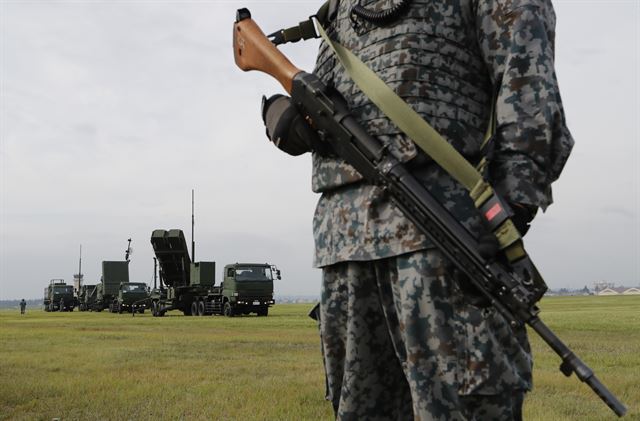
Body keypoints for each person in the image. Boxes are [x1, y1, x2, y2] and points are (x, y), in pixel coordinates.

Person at [262, 0, 574, 419]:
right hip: (344, 247)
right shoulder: (339, 5)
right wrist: (284, 118)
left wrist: (510, 211)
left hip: (444, 242)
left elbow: (528, 86)